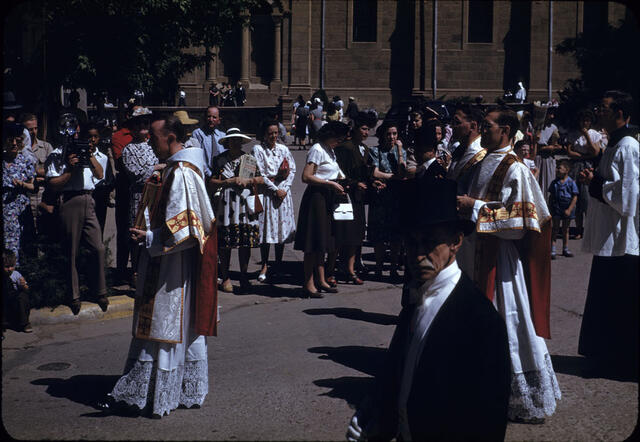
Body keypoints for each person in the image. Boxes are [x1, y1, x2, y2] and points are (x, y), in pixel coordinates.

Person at [347, 178, 510, 442]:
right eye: (412, 243)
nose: (418, 254)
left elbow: (487, 419)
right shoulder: (415, 298)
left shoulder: (480, 319)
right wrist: (376, 417)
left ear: (456, 242)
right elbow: (398, 372)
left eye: (430, 242)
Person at [107, 115, 217, 417]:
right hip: (167, 261)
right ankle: (167, 387)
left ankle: (158, 394)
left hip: (171, 266)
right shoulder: (176, 168)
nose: (149, 142)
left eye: (154, 138)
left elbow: (188, 229)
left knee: (165, 325)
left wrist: (150, 236)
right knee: (168, 326)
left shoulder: (182, 173)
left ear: (170, 138)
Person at [456, 106, 561, 423]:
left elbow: (522, 221)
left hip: (499, 263)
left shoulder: (515, 168)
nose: (482, 130)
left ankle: (515, 396)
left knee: (507, 325)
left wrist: (474, 207)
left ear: (505, 130)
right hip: (472, 254)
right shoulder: (480, 161)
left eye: (487, 126)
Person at [578, 90, 639, 378]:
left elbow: (626, 199)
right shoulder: (614, 145)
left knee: (619, 304)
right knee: (606, 300)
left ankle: (620, 362)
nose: (597, 112)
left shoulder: (627, 147)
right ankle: (603, 356)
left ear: (619, 114)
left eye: (603, 108)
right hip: (609, 238)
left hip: (622, 240)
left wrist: (595, 184)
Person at [45, 116, 108, 315]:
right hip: (69, 199)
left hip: (88, 199)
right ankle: (74, 296)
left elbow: (100, 175)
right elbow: (53, 184)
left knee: (98, 247)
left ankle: (100, 291)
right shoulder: (57, 154)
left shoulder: (98, 155)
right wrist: (70, 169)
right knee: (71, 250)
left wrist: (87, 155)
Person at [294, 121, 350, 298]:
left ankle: (321, 279)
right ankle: (308, 283)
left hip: (328, 197)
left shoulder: (329, 150)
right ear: (329, 135)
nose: (339, 142)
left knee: (323, 241)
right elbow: (306, 176)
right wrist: (330, 183)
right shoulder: (317, 149)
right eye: (338, 139)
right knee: (313, 242)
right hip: (317, 198)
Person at [208, 128, 263, 293]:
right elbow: (211, 182)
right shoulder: (219, 160)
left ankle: (244, 276)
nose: (236, 143)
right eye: (232, 140)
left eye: (238, 140)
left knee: (244, 242)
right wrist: (229, 181)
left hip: (245, 203)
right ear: (227, 142)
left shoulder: (249, 159)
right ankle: (225, 277)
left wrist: (248, 180)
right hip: (226, 204)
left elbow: (261, 179)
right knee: (225, 243)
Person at [329, 112, 376, 285]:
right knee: (340, 234)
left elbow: (368, 171)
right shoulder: (345, 148)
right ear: (355, 129)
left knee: (356, 235)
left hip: (358, 198)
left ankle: (349, 269)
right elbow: (338, 173)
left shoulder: (364, 149)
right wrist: (354, 183)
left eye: (368, 130)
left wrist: (374, 181)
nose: (366, 133)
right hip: (344, 196)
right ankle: (331, 269)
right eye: (363, 129)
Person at [252, 120, 297, 283]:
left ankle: (277, 264)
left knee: (280, 229)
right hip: (268, 192)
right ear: (264, 134)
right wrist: (275, 189)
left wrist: (284, 188)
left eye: (276, 133)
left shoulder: (283, 149)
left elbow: (292, 169)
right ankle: (264, 264)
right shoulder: (258, 149)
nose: (273, 136)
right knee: (266, 230)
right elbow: (260, 173)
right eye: (270, 133)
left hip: (283, 193)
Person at [121, 108, 162, 285]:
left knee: (154, 232)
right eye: (138, 123)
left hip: (158, 195)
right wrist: (156, 168)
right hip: (140, 196)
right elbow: (136, 175)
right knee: (137, 234)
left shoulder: (154, 145)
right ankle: (136, 271)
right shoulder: (128, 149)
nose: (142, 126)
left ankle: (154, 269)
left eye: (145, 122)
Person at [368, 122, 407, 281]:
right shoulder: (375, 151)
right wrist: (393, 177)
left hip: (396, 196)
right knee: (379, 234)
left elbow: (402, 171)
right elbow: (375, 172)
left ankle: (393, 266)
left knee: (395, 234)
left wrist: (398, 150)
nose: (391, 137)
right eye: (389, 134)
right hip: (381, 196)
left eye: (394, 134)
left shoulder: (401, 152)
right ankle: (378, 267)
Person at [566, 109, 603, 239]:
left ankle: (590, 229)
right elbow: (570, 152)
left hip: (588, 167)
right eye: (583, 120)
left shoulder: (595, 134)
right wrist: (584, 156)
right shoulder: (573, 134)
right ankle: (578, 228)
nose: (584, 123)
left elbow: (595, 152)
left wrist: (586, 135)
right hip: (575, 167)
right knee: (576, 197)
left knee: (587, 198)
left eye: (587, 120)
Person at [2, 122, 36, 267]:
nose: (14, 144)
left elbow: (33, 186)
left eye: (18, 140)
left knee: (16, 246)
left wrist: (22, 184)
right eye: (11, 141)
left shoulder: (26, 161)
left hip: (18, 212)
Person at [21, 113, 54, 232]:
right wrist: (37, 173)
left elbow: (53, 171)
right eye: (30, 129)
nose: (34, 132)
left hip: (43, 195)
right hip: (26, 196)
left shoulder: (46, 147)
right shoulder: (19, 150)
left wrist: (36, 172)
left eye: (35, 128)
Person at [447, 104, 486, 195]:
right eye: (452, 122)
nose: (452, 127)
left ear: (473, 126)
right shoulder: (459, 149)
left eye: (457, 122)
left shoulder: (480, 154)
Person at [548, 160, 578, 259]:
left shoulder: (571, 182)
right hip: (557, 207)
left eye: (559, 168)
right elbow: (551, 196)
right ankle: (552, 249)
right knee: (555, 228)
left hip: (567, 206)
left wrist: (569, 209)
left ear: (566, 170)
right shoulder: (554, 183)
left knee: (566, 229)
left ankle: (565, 248)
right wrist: (549, 208)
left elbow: (574, 197)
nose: (557, 170)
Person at [86, 124, 111, 234]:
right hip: (87, 192)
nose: (92, 139)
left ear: (99, 138)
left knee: (99, 224)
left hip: (99, 194)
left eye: (95, 136)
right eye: (90, 136)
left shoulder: (103, 157)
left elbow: (104, 177)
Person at [192, 106, 226, 179]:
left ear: (219, 120)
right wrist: (209, 175)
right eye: (208, 116)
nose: (211, 119)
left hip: (222, 175)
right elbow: (198, 157)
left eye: (214, 117)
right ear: (204, 118)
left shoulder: (223, 135)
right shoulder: (197, 134)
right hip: (205, 175)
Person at [535, 107, 562, 201]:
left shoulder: (553, 128)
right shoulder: (537, 127)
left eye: (552, 114)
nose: (551, 116)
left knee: (548, 182)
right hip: (537, 157)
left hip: (548, 158)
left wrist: (555, 147)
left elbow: (556, 144)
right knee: (537, 181)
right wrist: (545, 148)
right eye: (549, 114)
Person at [3, 250, 33, 333]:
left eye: (11, 266)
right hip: (5, 298)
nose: (9, 269)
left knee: (23, 297)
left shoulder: (16, 274)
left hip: (14, 298)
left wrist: (23, 285)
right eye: (6, 267)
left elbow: (27, 289)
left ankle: (25, 323)